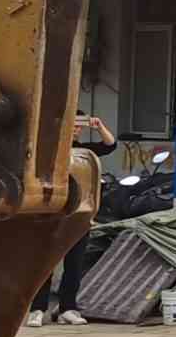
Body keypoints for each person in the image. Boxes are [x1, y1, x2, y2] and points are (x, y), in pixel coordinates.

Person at [29, 115, 119, 326]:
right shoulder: (48, 150)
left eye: (80, 125)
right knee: (45, 263)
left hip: (79, 215)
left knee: (74, 264)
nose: (76, 129)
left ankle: (67, 308)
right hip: (50, 215)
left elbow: (111, 145)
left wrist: (99, 126)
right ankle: (37, 309)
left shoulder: (84, 154)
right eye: (73, 124)